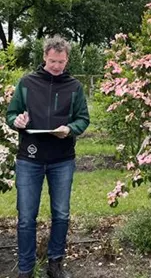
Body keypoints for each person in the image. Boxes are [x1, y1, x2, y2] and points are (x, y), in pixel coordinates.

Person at [6, 36, 90, 278]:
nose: (56, 66)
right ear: (44, 57)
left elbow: (82, 118)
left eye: (61, 62)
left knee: (61, 213)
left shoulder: (74, 86)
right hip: (29, 158)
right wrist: (18, 121)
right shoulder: (27, 83)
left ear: (67, 60)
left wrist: (71, 129)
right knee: (26, 217)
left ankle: (55, 263)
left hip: (62, 158)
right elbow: (11, 115)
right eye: (53, 61)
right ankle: (25, 268)